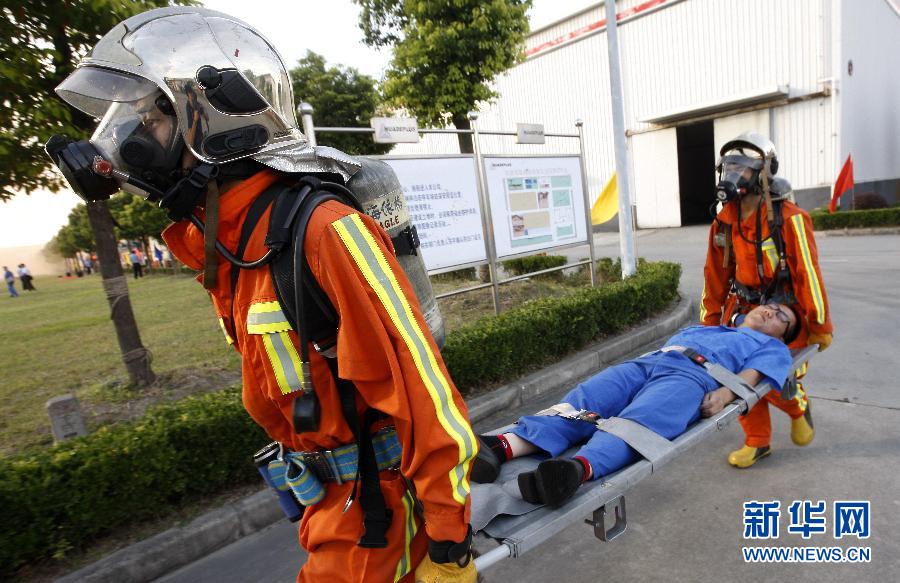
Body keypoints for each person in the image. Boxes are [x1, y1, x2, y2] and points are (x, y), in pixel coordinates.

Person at [48, 7, 478, 583]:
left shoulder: (325, 229)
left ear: (209, 119)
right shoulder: (228, 242)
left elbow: (424, 391)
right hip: (328, 507)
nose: (128, 139)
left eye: (148, 119)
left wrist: (450, 543)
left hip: (382, 519)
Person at [471, 303, 799, 508]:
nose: (771, 311)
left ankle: (572, 472)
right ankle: (503, 448)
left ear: (783, 335)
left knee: (641, 421)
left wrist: (726, 395)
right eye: (771, 306)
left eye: (781, 316)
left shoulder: (773, 348)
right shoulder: (715, 326)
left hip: (693, 379)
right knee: (585, 399)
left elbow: (752, 377)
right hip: (648, 363)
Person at [701, 132, 833, 468]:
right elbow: (714, 276)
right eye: (729, 166)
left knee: (774, 376)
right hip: (744, 312)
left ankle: (797, 405)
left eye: (743, 168)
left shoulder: (790, 218)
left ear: (763, 173)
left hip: (782, 312)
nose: (734, 174)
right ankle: (758, 441)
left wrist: (819, 324)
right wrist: (709, 321)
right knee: (737, 375)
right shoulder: (724, 221)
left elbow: (808, 274)